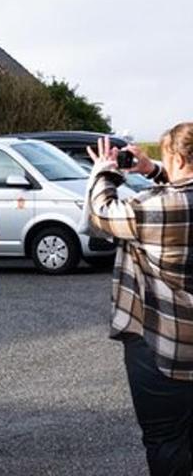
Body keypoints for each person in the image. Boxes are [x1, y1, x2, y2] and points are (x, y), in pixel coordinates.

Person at [84, 124, 193, 475]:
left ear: (177, 157)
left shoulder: (154, 207)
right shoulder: (165, 200)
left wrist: (106, 171)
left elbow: (100, 213)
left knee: (165, 440)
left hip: (162, 348)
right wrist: (152, 170)